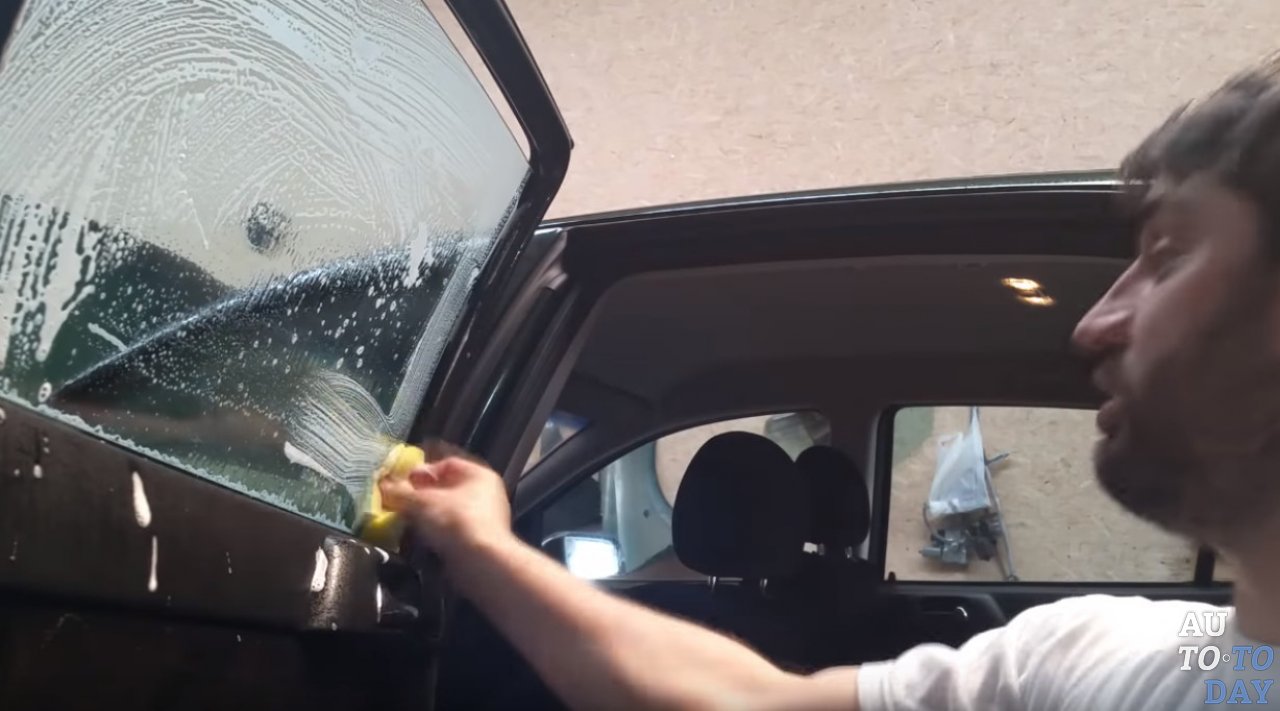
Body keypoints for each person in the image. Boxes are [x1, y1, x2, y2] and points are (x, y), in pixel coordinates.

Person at [379, 57, 1280, 710]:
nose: (1093, 324)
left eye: (1169, 254)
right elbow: (754, 701)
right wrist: (485, 544)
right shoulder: (1098, 654)